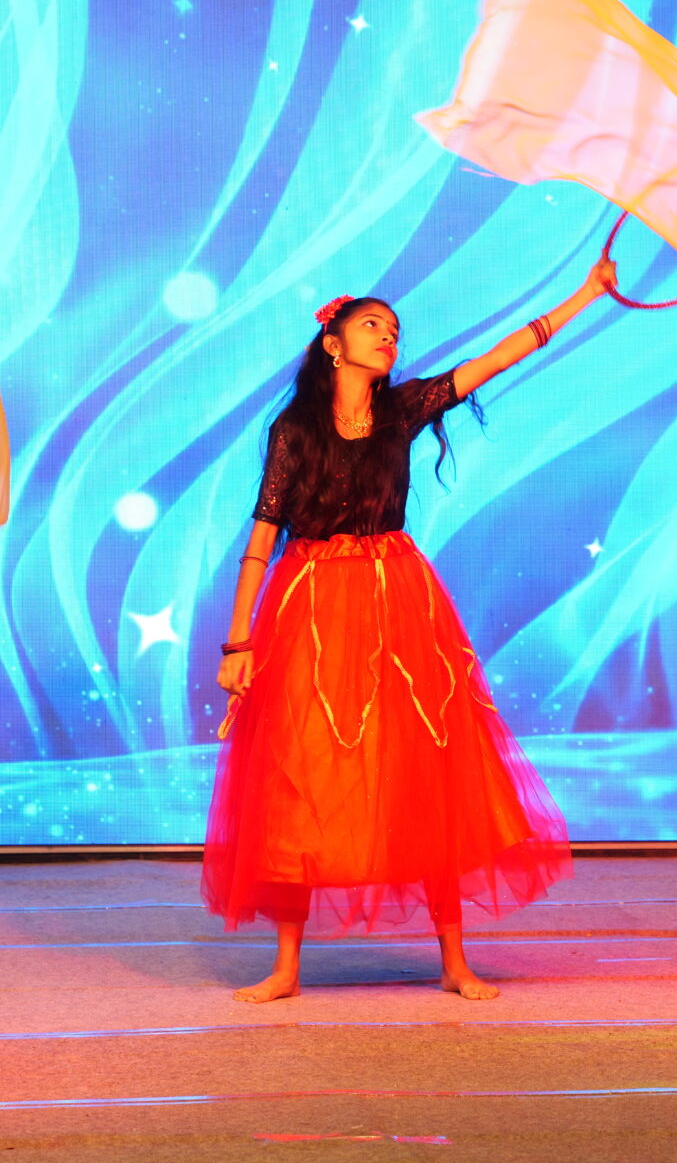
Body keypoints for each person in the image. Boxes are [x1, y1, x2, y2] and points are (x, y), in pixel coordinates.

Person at [205, 269, 613, 1002]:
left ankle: (455, 960)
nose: (388, 336)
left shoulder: (402, 410)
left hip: (397, 599)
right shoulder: (294, 429)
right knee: (299, 776)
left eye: (394, 330)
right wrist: (239, 644)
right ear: (333, 344)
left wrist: (586, 295)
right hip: (312, 605)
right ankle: (287, 966)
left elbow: (495, 359)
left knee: (426, 770)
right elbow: (263, 535)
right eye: (372, 325)